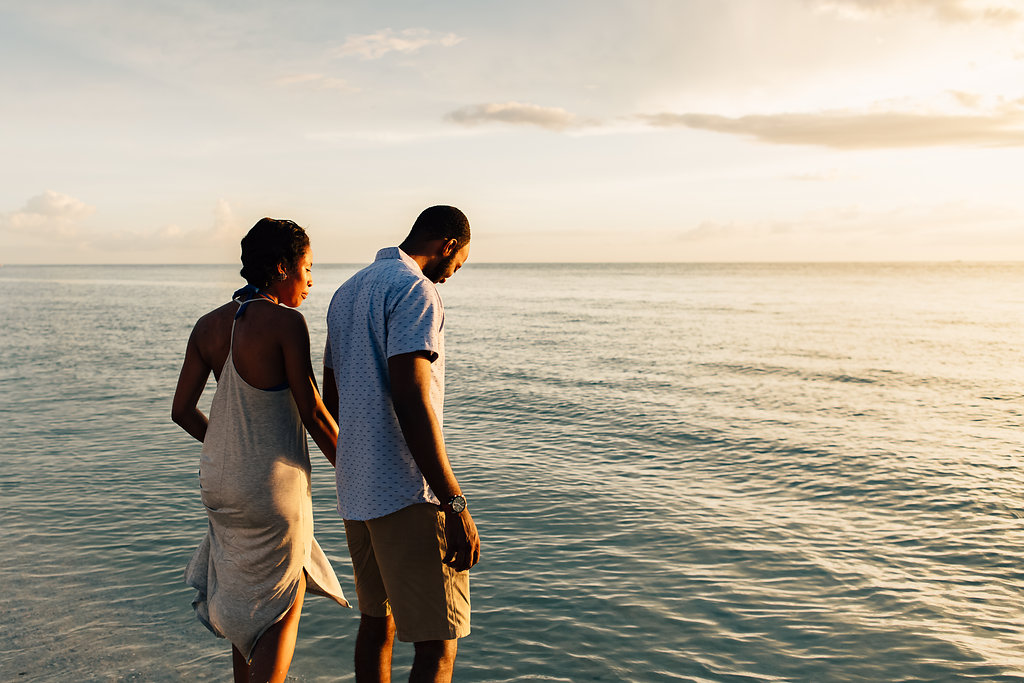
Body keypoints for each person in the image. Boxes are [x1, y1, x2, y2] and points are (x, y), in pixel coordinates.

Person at [172, 218, 349, 683]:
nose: (311, 280)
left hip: (220, 484)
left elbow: (182, 410)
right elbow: (312, 411)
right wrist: (353, 469)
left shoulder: (208, 326)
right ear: (279, 268)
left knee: (247, 607)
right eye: (307, 268)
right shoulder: (286, 323)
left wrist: (225, 446)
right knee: (280, 607)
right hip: (271, 489)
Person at [322, 205, 481, 683]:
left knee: (378, 622)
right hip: (407, 491)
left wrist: (353, 459)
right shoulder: (416, 290)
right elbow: (412, 396)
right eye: (459, 262)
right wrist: (454, 503)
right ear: (447, 245)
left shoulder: (346, 292)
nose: (453, 275)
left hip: (356, 491)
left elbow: (332, 396)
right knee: (437, 643)